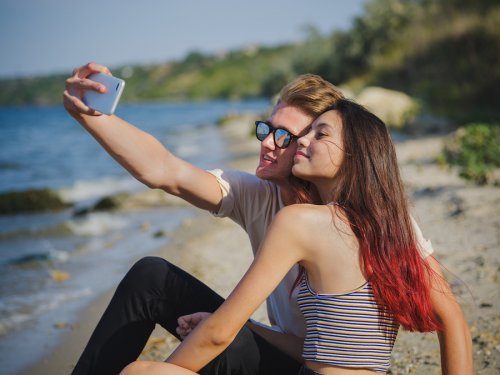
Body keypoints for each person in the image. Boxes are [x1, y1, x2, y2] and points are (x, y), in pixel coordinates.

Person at [64, 63, 443, 374]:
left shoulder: (376, 215)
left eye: (283, 135)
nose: (265, 141)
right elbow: (165, 170)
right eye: (267, 128)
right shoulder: (259, 196)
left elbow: (447, 312)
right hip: (286, 357)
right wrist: (91, 115)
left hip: (311, 367)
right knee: (153, 277)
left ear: (315, 143)